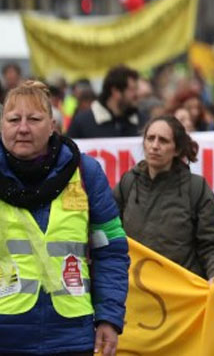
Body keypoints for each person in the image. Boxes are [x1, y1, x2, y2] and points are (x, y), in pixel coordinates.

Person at [0, 81, 129, 355]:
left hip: (71, 334)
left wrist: (109, 317)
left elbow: (111, 250)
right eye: (14, 119)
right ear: (2, 125)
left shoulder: (85, 172)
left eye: (34, 119)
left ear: (52, 126)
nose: (23, 128)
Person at [113, 115, 214, 295]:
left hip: (180, 298)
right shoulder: (128, 183)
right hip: (134, 296)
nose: (155, 145)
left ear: (176, 149)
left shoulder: (195, 188)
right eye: (150, 138)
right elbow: (109, 233)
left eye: (163, 140)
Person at [66, 64, 141, 138]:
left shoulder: (141, 121)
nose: (137, 94)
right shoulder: (82, 123)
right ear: (116, 91)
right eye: (132, 90)